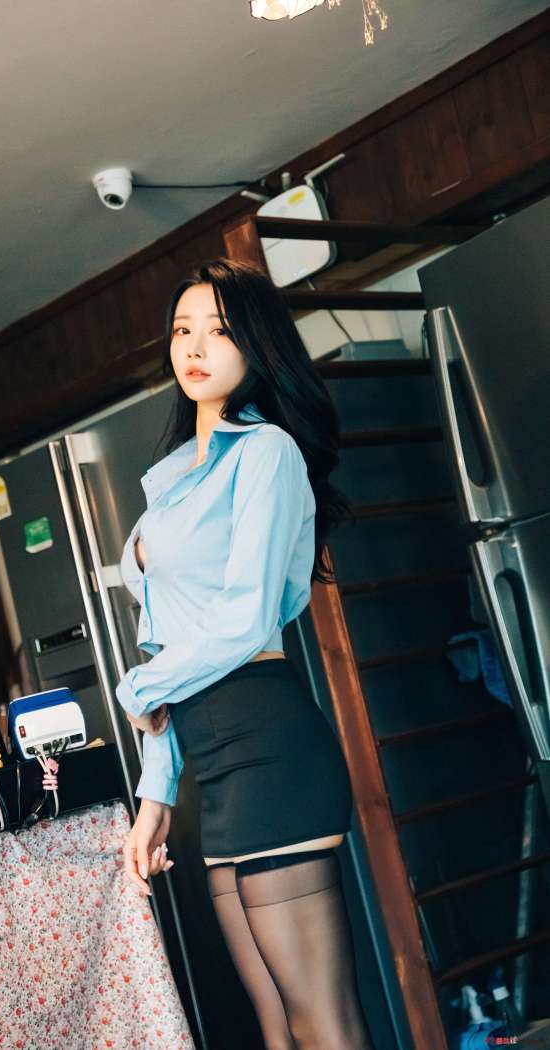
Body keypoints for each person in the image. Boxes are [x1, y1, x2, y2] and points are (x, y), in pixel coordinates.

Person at [115, 258, 374, 1049]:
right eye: (182, 330)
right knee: (278, 1030)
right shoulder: (173, 479)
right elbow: (166, 640)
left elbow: (244, 617)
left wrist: (138, 688)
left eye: (220, 332)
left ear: (256, 344)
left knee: (321, 1024)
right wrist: (155, 798)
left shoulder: (267, 452)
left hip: (270, 749)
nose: (194, 348)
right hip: (215, 762)